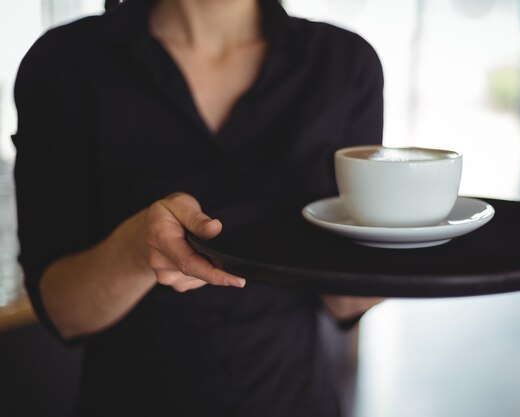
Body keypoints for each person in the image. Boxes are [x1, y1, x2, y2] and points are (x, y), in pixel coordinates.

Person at [12, 0, 384, 415]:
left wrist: (391, 251)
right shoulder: (64, 63)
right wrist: (138, 247)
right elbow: (64, 313)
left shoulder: (344, 64)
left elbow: (345, 301)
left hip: (293, 400)